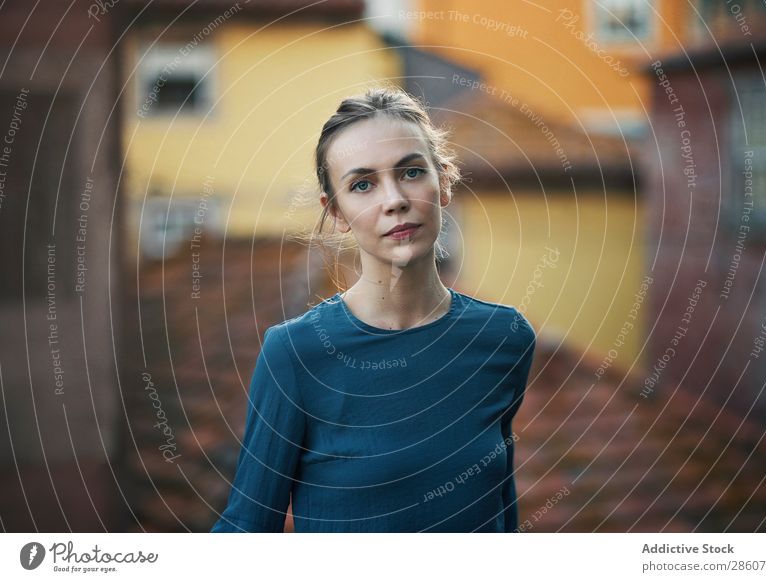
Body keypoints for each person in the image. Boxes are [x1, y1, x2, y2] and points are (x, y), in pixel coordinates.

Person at [210, 85, 536, 533]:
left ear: (443, 182)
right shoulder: (295, 354)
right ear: (337, 212)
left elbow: (501, 516)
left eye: (412, 172)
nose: (394, 200)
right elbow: (247, 528)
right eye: (362, 184)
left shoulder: (505, 339)